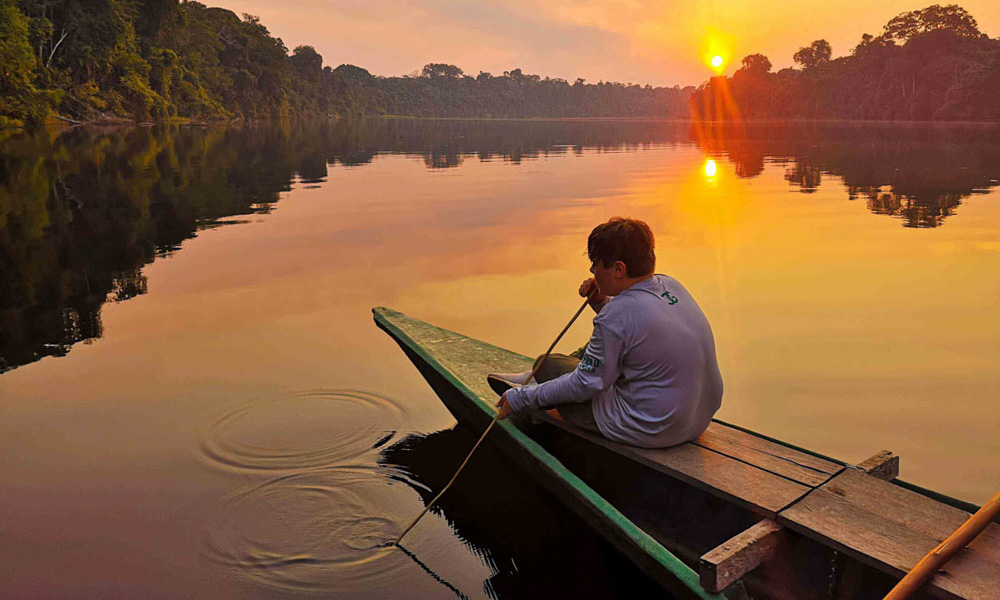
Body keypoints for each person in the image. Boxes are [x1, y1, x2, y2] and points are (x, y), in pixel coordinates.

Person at [491, 217, 723, 448]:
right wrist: (602, 300)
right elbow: (628, 325)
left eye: (596, 264)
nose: (592, 270)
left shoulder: (617, 315)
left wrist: (522, 399)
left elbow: (587, 385)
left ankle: (533, 380)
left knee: (549, 363)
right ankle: (535, 377)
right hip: (696, 421)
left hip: (653, 428)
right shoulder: (671, 285)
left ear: (618, 269)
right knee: (604, 344)